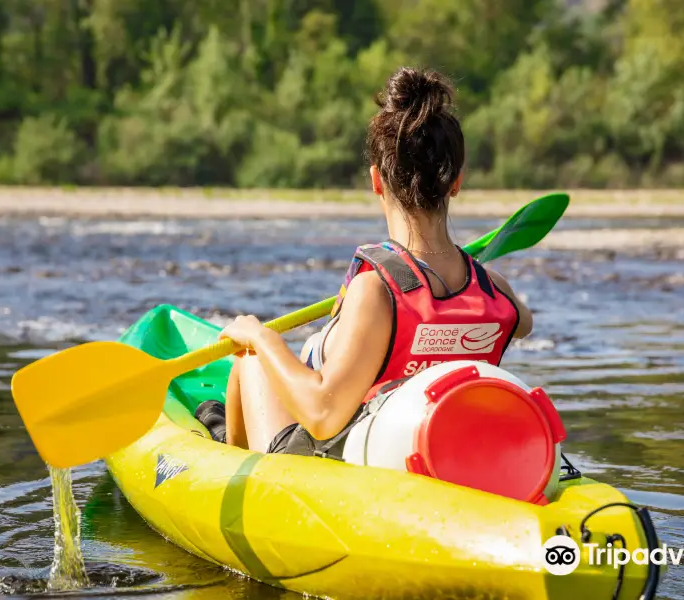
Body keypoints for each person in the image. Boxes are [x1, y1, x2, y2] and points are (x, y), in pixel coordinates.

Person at [197, 67, 532, 458]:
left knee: (251, 362)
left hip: (349, 466)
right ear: (455, 182)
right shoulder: (495, 290)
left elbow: (323, 415)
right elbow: (524, 324)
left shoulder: (376, 291)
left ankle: (226, 456)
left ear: (376, 180)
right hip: (437, 450)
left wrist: (260, 337)